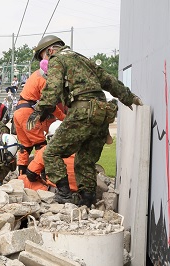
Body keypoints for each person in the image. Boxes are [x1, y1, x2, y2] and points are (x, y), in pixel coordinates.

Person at [27, 35, 143, 207]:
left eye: (43, 56)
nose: (44, 62)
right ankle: (87, 200)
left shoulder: (57, 59)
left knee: (50, 153)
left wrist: (39, 109)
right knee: (85, 160)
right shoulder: (82, 59)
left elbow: (52, 89)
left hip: (82, 110)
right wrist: (129, 97)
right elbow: (108, 80)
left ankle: (64, 195)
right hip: (102, 113)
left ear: (50, 50)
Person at [13, 61, 66, 175]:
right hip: (28, 113)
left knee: (25, 146)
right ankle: (36, 173)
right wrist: (63, 117)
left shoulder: (35, 74)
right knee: (40, 144)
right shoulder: (43, 81)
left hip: (19, 111)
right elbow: (50, 104)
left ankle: (22, 176)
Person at [18, 121, 77, 192]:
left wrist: (42, 181)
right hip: (80, 192)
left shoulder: (46, 150)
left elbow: (31, 174)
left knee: (22, 179)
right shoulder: (80, 150)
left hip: (57, 191)